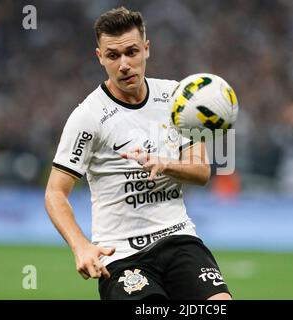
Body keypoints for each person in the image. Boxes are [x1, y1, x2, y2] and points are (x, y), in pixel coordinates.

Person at [44, 6, 231, 300]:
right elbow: (55, 193)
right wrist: (80, 245)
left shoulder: (177, 98)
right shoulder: (88, 117)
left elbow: (202, 171)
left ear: (146, 49)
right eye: (113, 55)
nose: (124, 64)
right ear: (100, 57)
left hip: (178, 238)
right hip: (121, 255)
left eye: (131, 52)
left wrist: (166, 165)